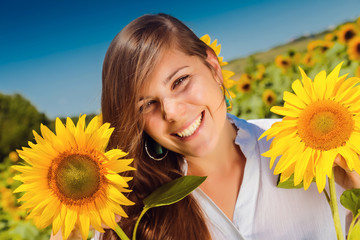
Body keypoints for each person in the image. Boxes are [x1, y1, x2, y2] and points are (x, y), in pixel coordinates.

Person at [52, 13, 360, 240]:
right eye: (147, 105)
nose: (172, 111)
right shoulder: (127, 213)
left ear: (213, 67)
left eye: (180, 81)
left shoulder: (313, 151)